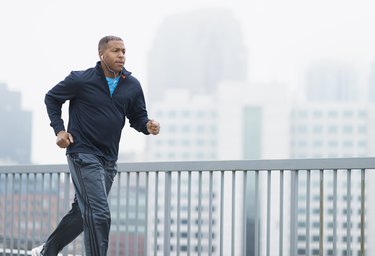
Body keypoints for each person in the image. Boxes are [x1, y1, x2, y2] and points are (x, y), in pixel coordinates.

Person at [31, 35, 160, 256]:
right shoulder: (81, 80)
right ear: (102, 55)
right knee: (99, 213)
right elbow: (51, 98)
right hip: (82, 153)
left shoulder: (132, 85)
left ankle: (47, 251)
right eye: (115, 51)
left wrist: (148, 125)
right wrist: (59, 130)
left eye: (124, 51)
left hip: (108, 160)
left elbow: (137, 116)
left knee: (82, 214)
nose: (121, 55)